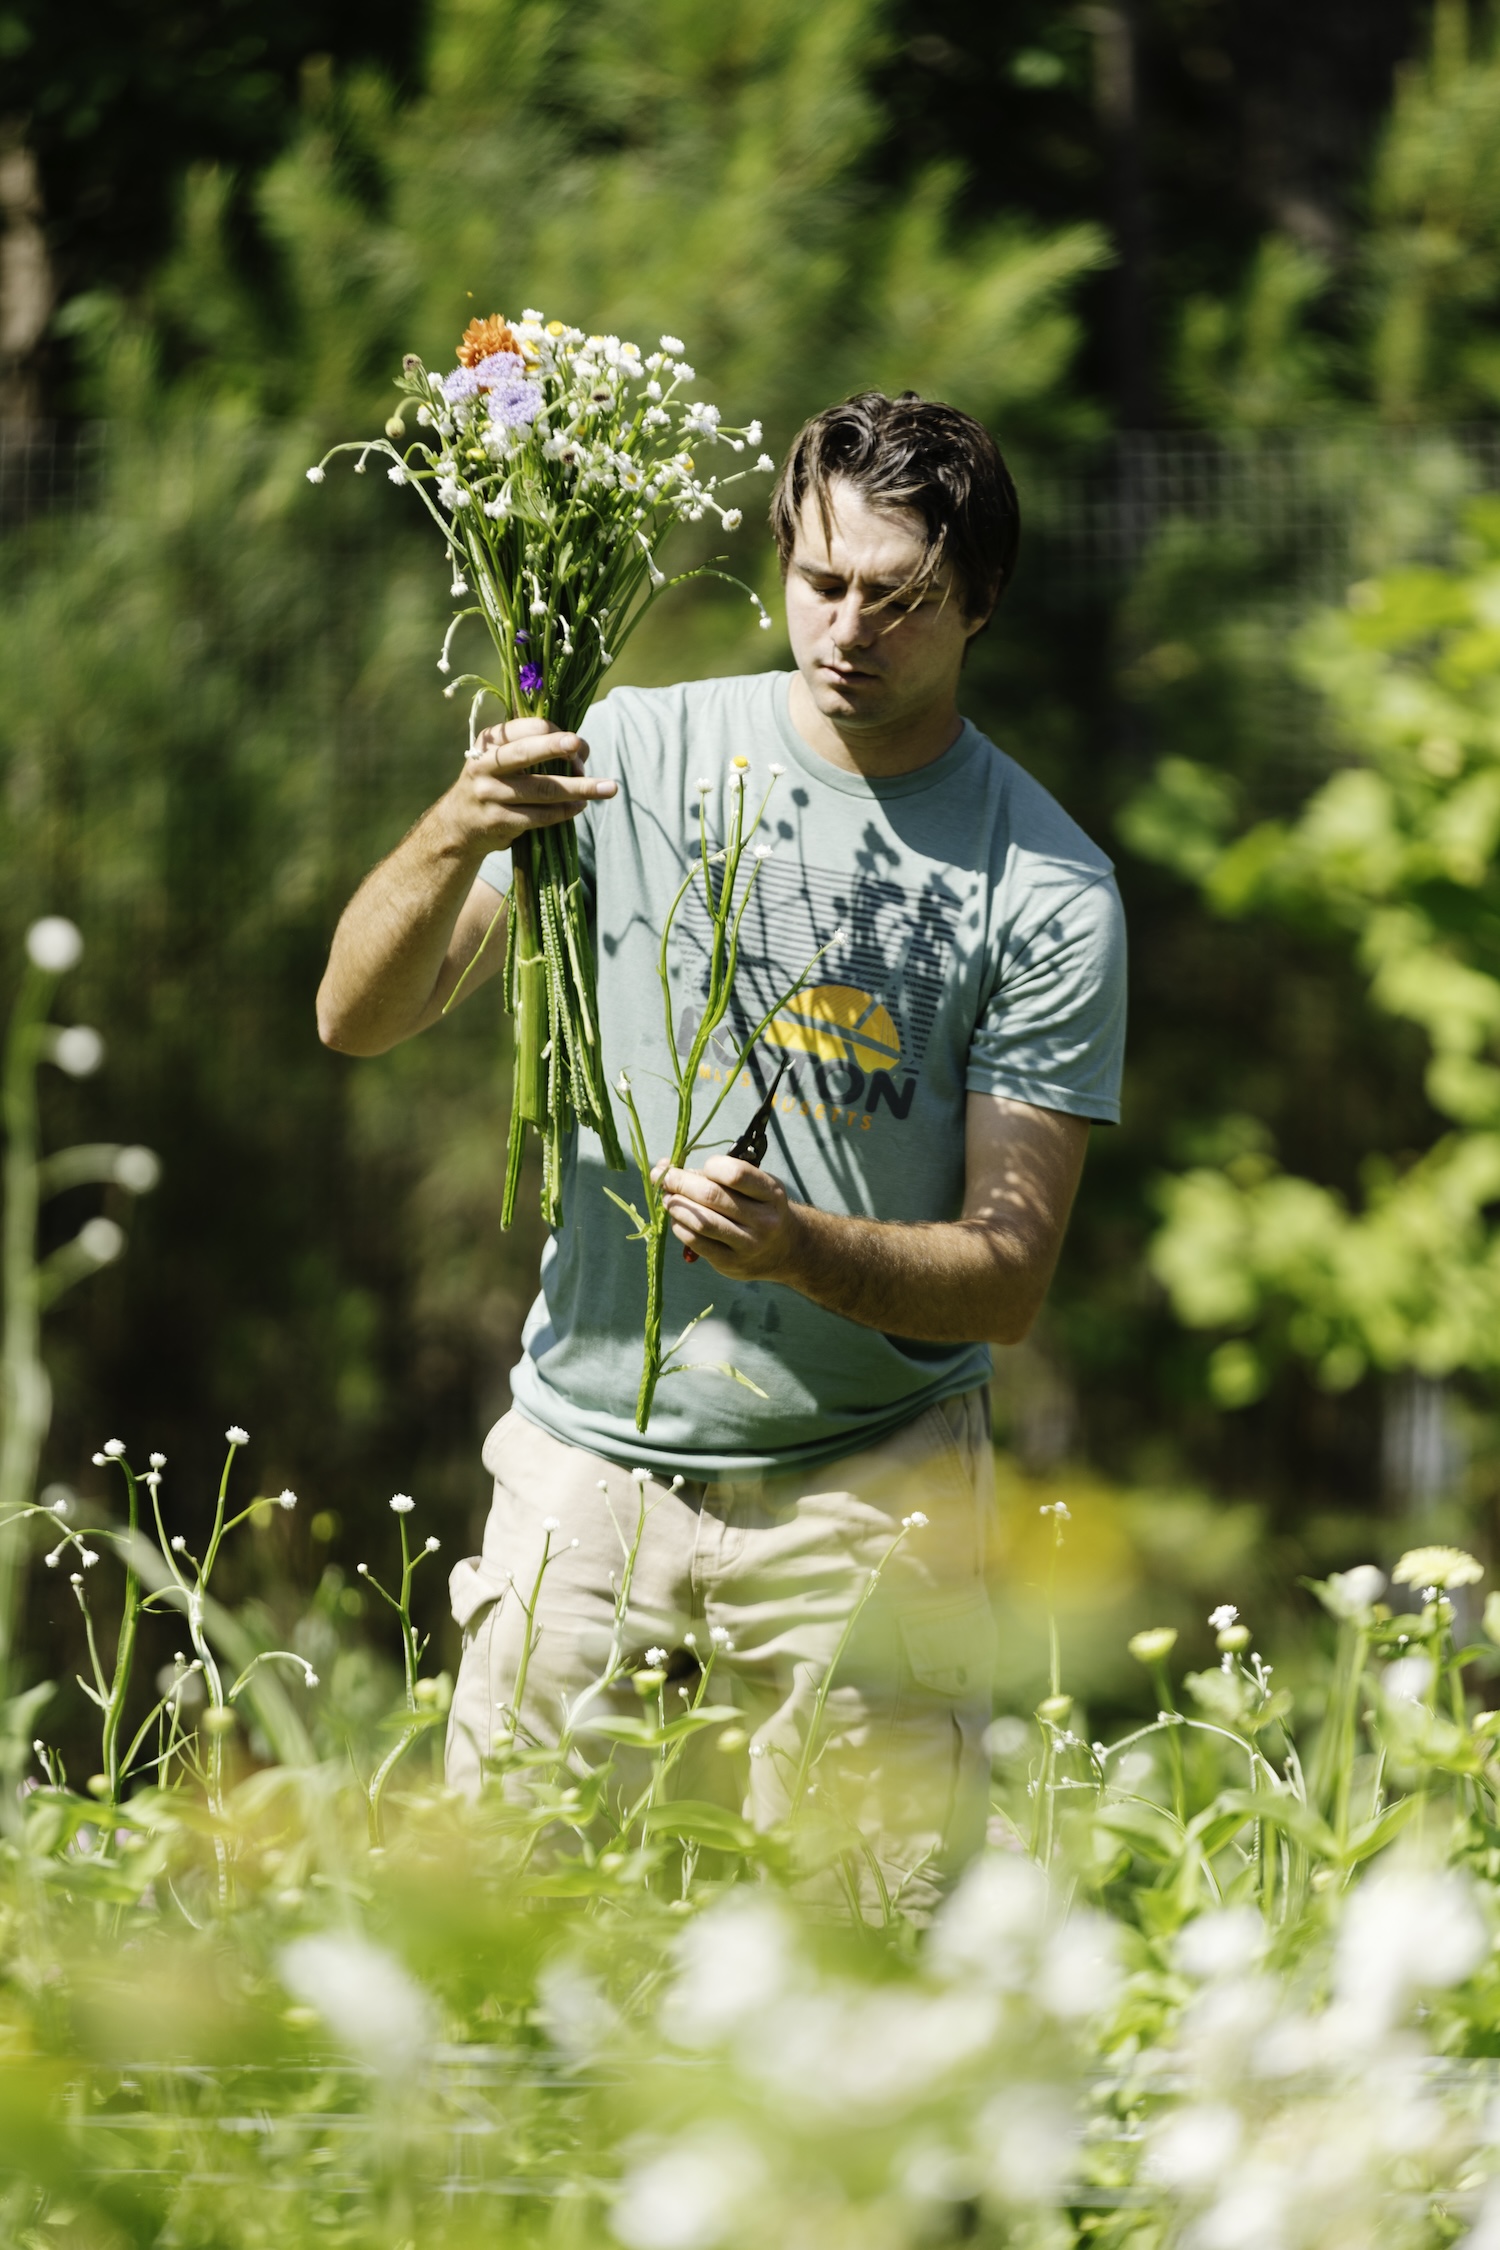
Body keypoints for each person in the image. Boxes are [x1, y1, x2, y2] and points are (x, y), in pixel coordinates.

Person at [316, 391, 1126, 1908]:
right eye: (825, 582)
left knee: (871, 1968)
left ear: (983, 602)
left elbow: (1007, 1278)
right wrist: (454, 829)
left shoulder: (1047, 883)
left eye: (903, 599)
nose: (850, 629)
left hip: (863, 1487)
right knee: (498, 1930)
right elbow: (357, 1019)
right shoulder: (632, 753)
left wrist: (803, 1247)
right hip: (589, 1461)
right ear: (782, 561)